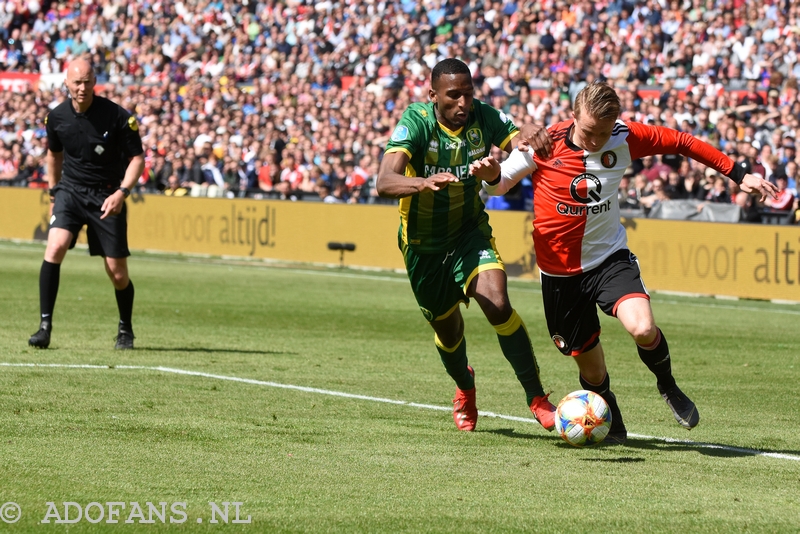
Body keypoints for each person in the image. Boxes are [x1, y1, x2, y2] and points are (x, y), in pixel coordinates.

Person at [470, 81, 778, 444]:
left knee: (643, 328)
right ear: (573, 117)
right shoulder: (544, 142)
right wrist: (490, 173)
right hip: (560, 274)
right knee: (592, 369)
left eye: (603, 133)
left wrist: (738, 174)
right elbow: (501, 183)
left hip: (608, 258)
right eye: (588, 132)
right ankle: (610, 414)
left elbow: (683, 142)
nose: (597, 141)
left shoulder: (626, 136)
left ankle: (668, 385)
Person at [376, 58, 557, 433]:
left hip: (468, 233)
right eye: (453, 95)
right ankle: (465, 386)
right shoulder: (417, 122)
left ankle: (537, 398)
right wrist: (421, 183)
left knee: (498, 302)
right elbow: (384, 180)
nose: (462, 103)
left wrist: (533, 135)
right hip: (423, 248)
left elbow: (520, 135)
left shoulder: (484, 117)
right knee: (449, 333)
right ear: (433, 96)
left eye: (468, 95)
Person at [28, 58, 145, 350]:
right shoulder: (56, 117)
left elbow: (137, 158)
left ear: (95, 82)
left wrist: (122, 192)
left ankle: (125, 329)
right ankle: (44, 327)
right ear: (66, 83)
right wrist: (54, 193)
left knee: (117, 273)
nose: (82, 88)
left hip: (107, 196)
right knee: (54, 247)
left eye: (87, 82)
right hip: (70, 191)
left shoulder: (118, 116)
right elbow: (54, 156)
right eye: (76, 82)